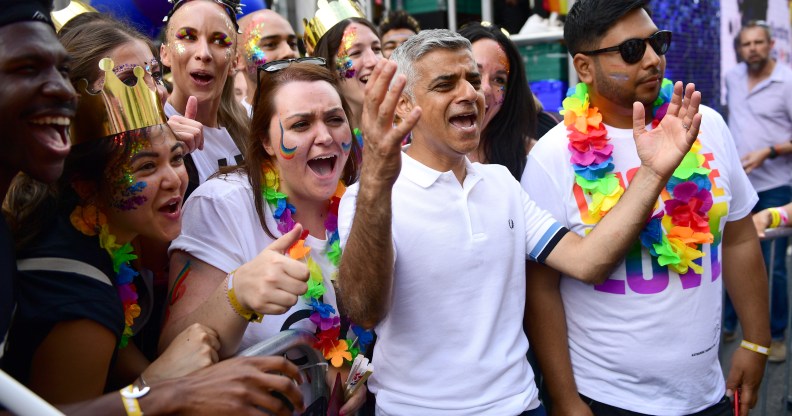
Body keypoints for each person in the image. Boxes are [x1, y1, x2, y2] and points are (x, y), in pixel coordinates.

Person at [338, 28, 702, 415]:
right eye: (446, 84)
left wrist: (652, 173)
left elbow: (588, 261)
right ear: (402, 104)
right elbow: (363, 310)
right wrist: (377, 178)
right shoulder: (367, 198)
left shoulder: (500, 183)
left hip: (522, 405)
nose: (469, 94)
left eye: (473, 81)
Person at [0, 0, 302, 414]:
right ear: (87, 180)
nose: (174, 179)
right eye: (145, 165)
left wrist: (168, 376)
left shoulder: (106, 241)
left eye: (177, 159)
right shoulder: (78, 287)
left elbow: (124, 347)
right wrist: (161, 388)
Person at [522, 1, 770, 414]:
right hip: (607, 398)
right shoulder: (552, 158)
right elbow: (540, 289)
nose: (655, 59)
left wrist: (756, 341)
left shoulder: (705, 125)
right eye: (633, 50)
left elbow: (740, 237)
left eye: (658, 42)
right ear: (584, 68)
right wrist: (565, 398)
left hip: (708, 394)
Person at [161, 61, 366, 414]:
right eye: (301, 124)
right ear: (266, 142)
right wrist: (236, 293)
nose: (325, 136)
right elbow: (171, 352)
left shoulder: (359, 204)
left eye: (334, 119)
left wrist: (357, 374)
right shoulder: (224, 204)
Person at [724, 19, 792, 362]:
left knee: (774, 264)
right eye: (746, 43)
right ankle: (729, 322)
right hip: (739, 187)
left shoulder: (788, 81)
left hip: (776, 186)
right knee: (730, 252)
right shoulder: (733, 78)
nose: (752, 48)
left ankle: (776, 334)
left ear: (771, 46)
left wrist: (771, 151)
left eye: (758, 42)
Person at [160, 0, 249, 194]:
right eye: (188, 37)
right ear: (165, 54)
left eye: (219, 41)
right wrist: (162, 147)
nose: (204, 54)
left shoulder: (252, 127)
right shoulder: (148, 133)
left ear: (235, 61)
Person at [458, 21, 537, 179]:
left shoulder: (534, 157)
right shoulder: (410, 157)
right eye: (475, 73)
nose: (486, 88)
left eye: (499, 80)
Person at [307, 4, 382, 145]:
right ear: (329, 68)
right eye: (355, 53)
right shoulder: (323, 144)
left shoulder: (407, 130)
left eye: (376, 49)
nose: (373, 61)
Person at [237, 9, 299, 117]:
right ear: (238, 59)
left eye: (292, 44)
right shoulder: (232, 130)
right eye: (270, 44)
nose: (289, 52)